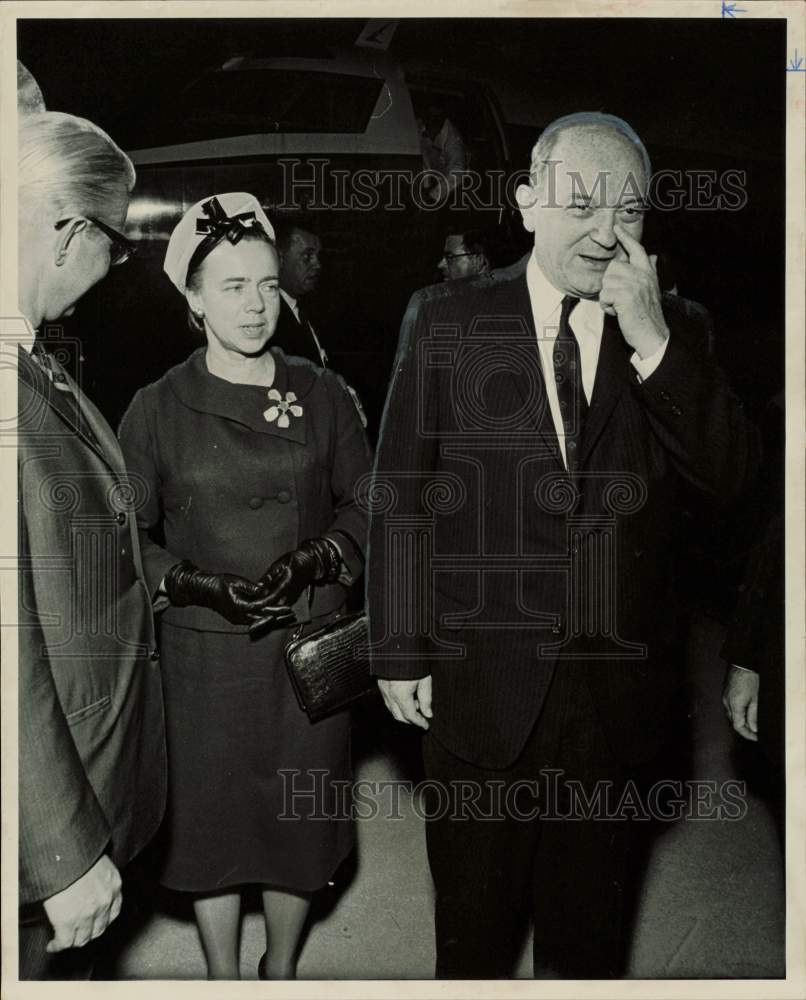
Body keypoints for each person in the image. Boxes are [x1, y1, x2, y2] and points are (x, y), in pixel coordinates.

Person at [367, 112, 760, 979]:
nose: (606, 230)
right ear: (527, 203)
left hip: (615, 705)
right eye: (582, 202)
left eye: (630, 210)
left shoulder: (675, 331)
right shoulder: (447, 318)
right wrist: (397, 648)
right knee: (471, 942)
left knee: (587, 951)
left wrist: (652, 340)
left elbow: (732, 479)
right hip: (480, 689)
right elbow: (401, 494)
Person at [117, 192, 372, 980]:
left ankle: (281, 970)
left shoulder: (324, 393)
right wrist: (188, 581)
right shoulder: (155, 410)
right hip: (205, 662)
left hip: (306, 653)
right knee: (212, 831)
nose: (257, 305)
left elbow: (373, 501)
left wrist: (322, 556)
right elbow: (123, 537)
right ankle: (224, 978)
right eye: (232, 287)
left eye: (267, 284)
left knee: (299, 829)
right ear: (192, 299)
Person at [15, 109, 167, 980]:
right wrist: (63, 851)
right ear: (71, 231)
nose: (112, 271)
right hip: (40, 824)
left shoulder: (31, 354)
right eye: (115, 244)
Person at [271, 216, 327, 366]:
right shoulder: (269, 318)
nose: (317, 265)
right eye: (307, 256)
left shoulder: (310, 309)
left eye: (317, 256)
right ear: (279, 258)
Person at [418, 104, 469, 206]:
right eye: (429, 116)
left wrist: (432, 196)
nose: (431, 120)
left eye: (436, 117)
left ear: (443, 118)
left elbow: (457, 173)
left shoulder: (454, 139)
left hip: (445, 188)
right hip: (423, 180)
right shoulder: (418, 125)